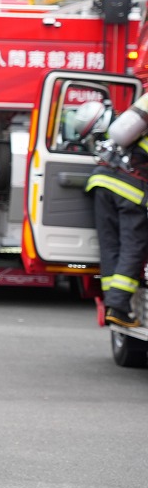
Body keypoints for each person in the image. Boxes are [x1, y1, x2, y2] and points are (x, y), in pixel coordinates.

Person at [85, 96, 145, 328]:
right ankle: (118, 305)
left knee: (110, 245)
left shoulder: (137, 123)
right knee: (133, 246)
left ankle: (112, 303)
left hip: (102, 180)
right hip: (129, 189)